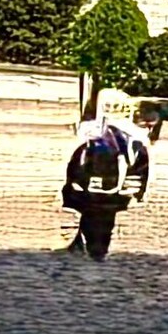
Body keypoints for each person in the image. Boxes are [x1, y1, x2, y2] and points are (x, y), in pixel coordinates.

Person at [61, 110, 146, 258]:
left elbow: (74, 171)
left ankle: (93, 247)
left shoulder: (92, 147)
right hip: (105, 195)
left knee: (96, 219)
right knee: (101, 221)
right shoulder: (127, 145)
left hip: (98, 194)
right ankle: (95, 248)